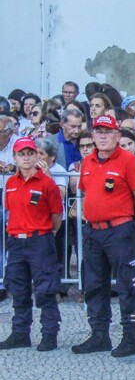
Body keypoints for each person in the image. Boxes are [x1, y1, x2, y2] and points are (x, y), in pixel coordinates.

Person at [72, 115, 135, 357]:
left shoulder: (129, 161)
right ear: (92, 136)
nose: (103, 136)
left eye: (108, 132)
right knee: (94, 285)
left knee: (128, 285)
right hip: (93, 230)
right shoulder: (88, 162)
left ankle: (130, 337)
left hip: (120, 230)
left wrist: (127, 221)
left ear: (118, 136)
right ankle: (99, 335)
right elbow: (85, 193)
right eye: (99, 131)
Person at [0, 137, 63, 352]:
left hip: (40, 239)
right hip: (16, 241)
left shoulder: (47, 183)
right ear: (15, 157)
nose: (26, 158)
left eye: (30, 153)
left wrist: (48, 232)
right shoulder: (10, 183)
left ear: (37, 155)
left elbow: (57, 214)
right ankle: (20, 333)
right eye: (21, 154)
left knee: (46, 289)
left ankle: (49, 333)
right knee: (18, 289)